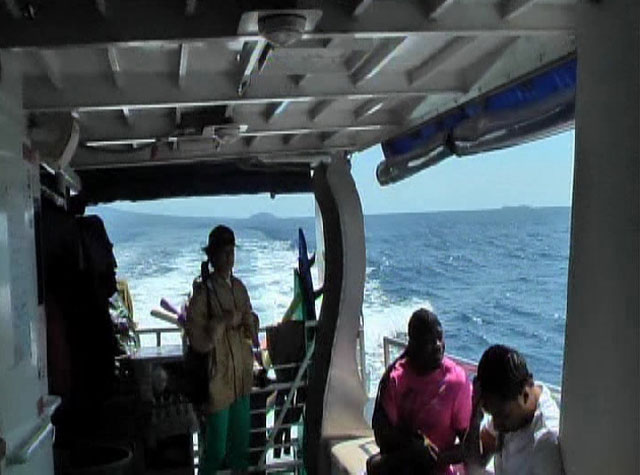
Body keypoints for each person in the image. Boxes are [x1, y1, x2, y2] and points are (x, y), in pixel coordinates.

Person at [185, 225, 257, 473]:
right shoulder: (203, 293)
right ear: (212, 256)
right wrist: (222, 322)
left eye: (231, 252)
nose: (229, 257)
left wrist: (250, 322)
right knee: (215, 449)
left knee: (240, 448)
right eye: (224, 252)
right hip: (217, 380)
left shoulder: (239, 287)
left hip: (241, 379)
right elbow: (195, 337)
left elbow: (251, 329)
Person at [369, 308, 472, 475]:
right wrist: (414, 446)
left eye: (440, 338)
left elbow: (469, 446)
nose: (438, 346)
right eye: (429, 342)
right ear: (414, 345)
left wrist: (437, 458)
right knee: (373, 465)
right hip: (401, 466)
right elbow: (381, 436)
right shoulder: (395, 378)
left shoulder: (457, 381)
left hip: (437, 469)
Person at [463, 345, 564, 475]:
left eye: (503, 416)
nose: (496, 425)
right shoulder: (506, 411)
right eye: (492, 415)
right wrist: (475, 418)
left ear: (525, 394)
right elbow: (474, 464)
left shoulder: (545, 442)